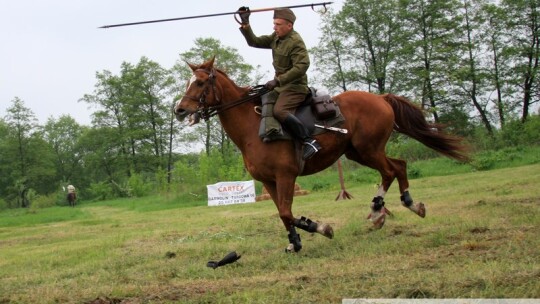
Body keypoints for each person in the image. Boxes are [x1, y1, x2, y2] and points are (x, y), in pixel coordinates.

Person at [237, 6, 322, 160]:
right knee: (258, 98)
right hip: (280, 87)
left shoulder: (296, 42)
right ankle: (271, 133)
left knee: (280, 111)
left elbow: (302, 66)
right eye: (274, 23)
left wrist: (278, 80)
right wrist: (246, 23)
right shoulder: (275, 38)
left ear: (289, 25)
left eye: (278, 24)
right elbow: (254, 42)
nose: (274, 27)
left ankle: (309, 141)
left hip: (295, 88)